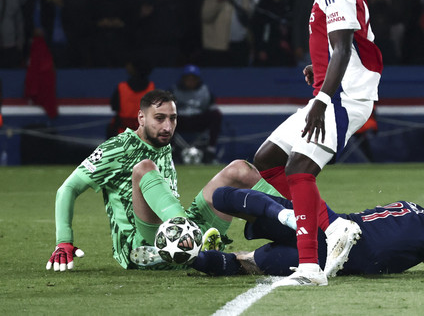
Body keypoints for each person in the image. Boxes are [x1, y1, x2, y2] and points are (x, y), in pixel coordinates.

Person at [250, 0, 383, 286]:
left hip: (342, 98)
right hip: (332, 92)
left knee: (298, 168)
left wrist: (324, 98)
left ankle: (310, 268)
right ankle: (334, 225)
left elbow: (342, 49)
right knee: (267, 160)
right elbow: (344, 46)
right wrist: (319, 69)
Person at [45, 89, 277, 272]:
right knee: (144, 168)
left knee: (239, 169)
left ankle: (297, 221)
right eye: (159, 118)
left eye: (173, 119)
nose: (167, 126)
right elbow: (67, 188)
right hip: (141, 243)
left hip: (176, 230)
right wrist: (64, 241)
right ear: (141, 118)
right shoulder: (117, 148)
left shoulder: (163, 142)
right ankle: (191, 239)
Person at [133, 184, 424, 278]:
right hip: (328, 239)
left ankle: (173, 252)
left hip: (326, 246)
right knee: (250, 257)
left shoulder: (416, 216)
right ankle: (283, 217)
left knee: (248, 262)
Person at [170, 65, 223, 164]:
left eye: (193, 79)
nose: (190, 82)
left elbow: (212, 108)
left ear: (197, 80)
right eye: (188, 79)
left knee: (216, 115)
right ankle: (171, 152)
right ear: (183, 79)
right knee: (167, 117)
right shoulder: (174, 91)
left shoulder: (205, 91)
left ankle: (210, 151)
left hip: (198, 119)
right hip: (180, 120)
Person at [106, 58, 155, 138]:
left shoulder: (121, 88)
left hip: (122, 134)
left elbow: (114, 107)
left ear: (134, 68)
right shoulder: (152, 88)